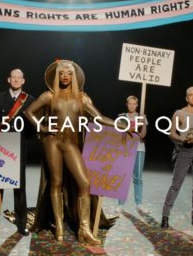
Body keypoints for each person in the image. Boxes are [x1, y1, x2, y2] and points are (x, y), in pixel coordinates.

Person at [24, 59, 129, 245]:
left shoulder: (82, 97)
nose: (65, 76)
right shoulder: (49, 96)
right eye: (62, 73)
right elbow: (29, 112)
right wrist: (41, 127)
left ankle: (84, 228)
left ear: (74, 76)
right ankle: (59, 225)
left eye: (69, 73)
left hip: (71, 144)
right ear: (57, 76)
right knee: (56, 182)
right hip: (52, 141)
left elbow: (99, 117)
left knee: (84, 182)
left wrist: (122, 125)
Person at [0, 69, 35, 236]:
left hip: (18, 147)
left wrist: (23, 140)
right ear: (8, 79)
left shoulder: (30, 100)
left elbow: (32, 126)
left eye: (19, 77)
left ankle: (21, 224)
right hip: (0, 147)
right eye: (14, 77)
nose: (16, 80)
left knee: (19, 188)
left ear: (23, 80)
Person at [161, 86, 193, 229]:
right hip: (185, 149)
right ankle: (165, 216)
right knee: (176, 184)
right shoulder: (179, 113)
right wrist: (182, 140)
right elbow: (171, 133)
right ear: (186, 97)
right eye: (190, 95)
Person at [116, 95, 148, 214]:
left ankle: (139, 204)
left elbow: (143, 135)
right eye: (130, 103)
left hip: (139, 149)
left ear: (137, 105)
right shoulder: (121, 117)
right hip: (125, 149)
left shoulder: (141, 117)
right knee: (124, 177)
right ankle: (120, 204)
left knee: (138, 178)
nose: (132, 106)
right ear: (126, 104)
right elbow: (118, 133)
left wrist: (143, 122)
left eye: (134, 104)